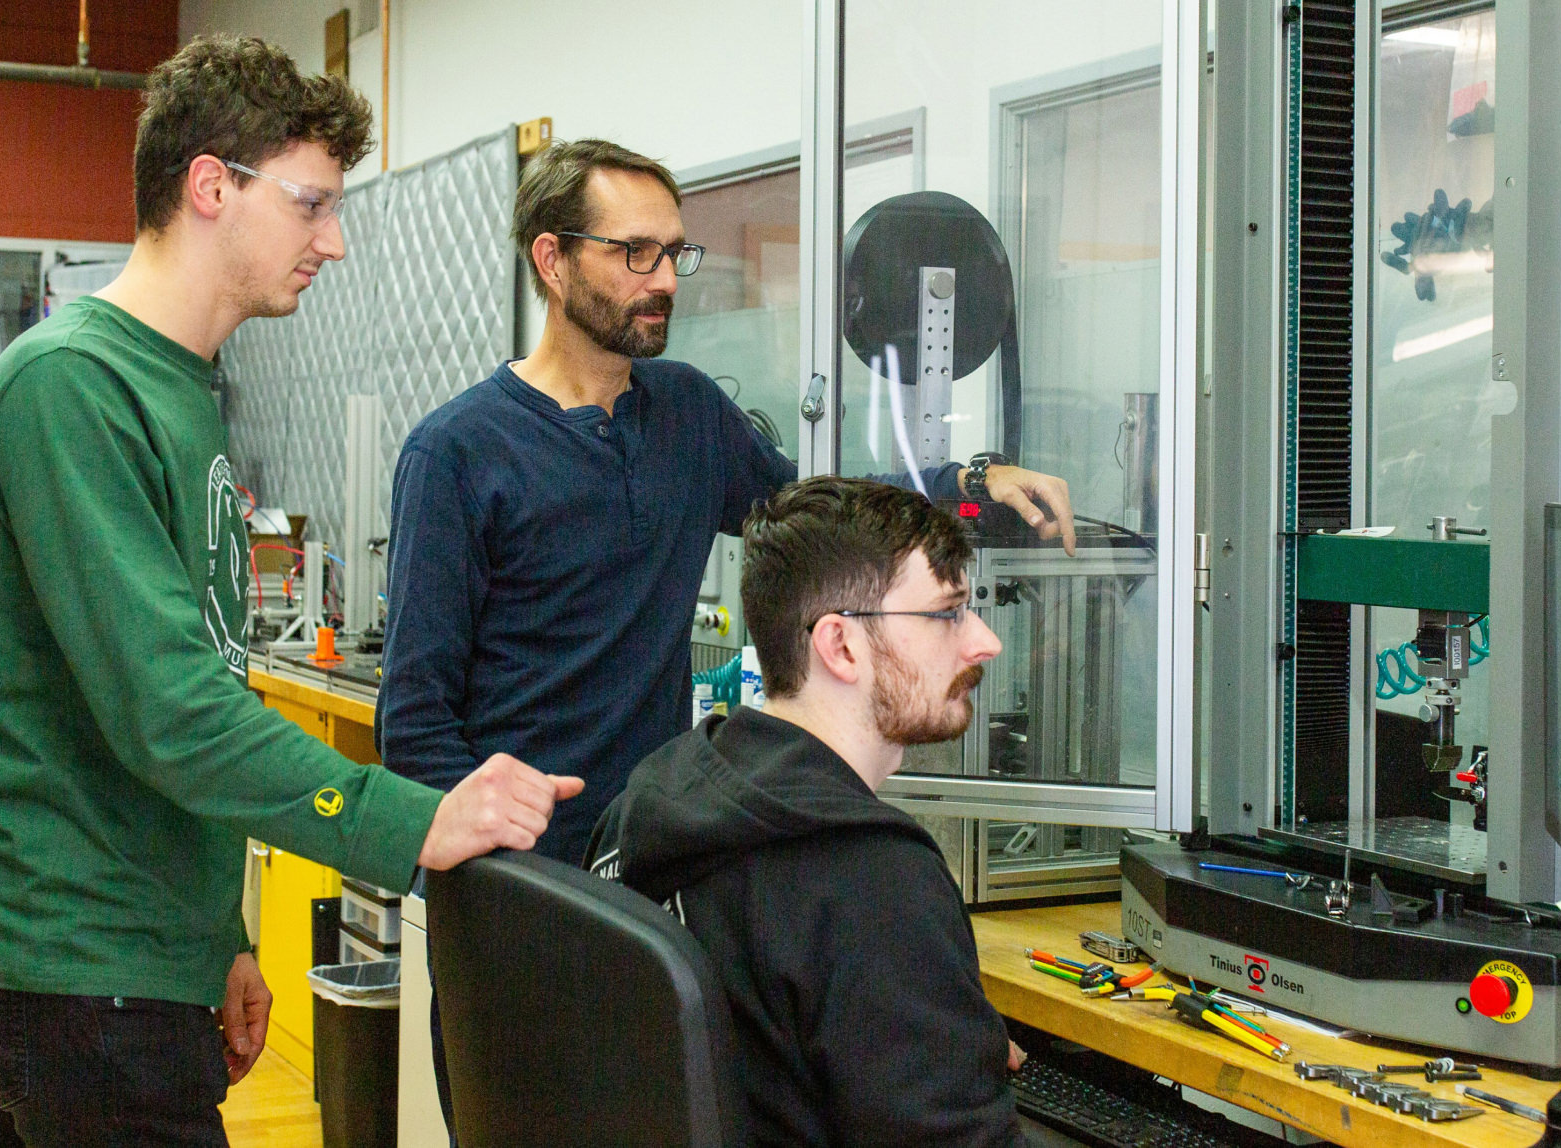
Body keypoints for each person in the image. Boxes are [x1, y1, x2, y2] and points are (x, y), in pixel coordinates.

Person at [0, 35, 580, 1148]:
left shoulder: (178, 388)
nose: (333, 238)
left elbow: (181, 689)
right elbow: (170, 711)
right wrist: (413, 816)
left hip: (132, 955)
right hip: (76, 964)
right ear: (211, 186)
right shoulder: (71, 386)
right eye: (312, 203)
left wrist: (215, 937)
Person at [377, 138, 1077, 863]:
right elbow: (413, 721)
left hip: (650, 849)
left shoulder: (687, 410)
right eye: (635, 253)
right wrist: (489, 868)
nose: (666, 281)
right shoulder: (457, 452)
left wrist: (968, 480)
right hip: (516, 876)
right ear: (553, 260)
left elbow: (823, 514)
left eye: (674, 253)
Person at [586, 475, 1027, 1147]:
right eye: (948, 614)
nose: (984, 642)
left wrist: (942, 1035)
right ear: (841, 645)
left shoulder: (646, 803)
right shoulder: (874, 879)